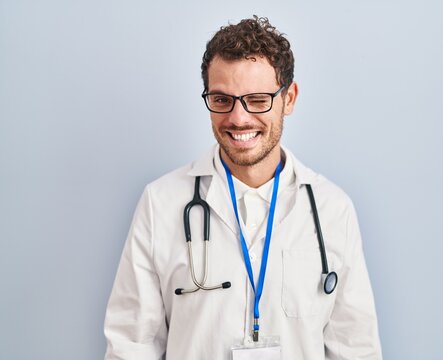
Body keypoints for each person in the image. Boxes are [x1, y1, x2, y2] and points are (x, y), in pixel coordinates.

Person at [104, 15, 382, 360]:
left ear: (289, 99)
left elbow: (356, 350)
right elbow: (131, 347)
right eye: (222, 100)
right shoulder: (161, 203)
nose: (238, 118)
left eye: (257, 99)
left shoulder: (331, 209)